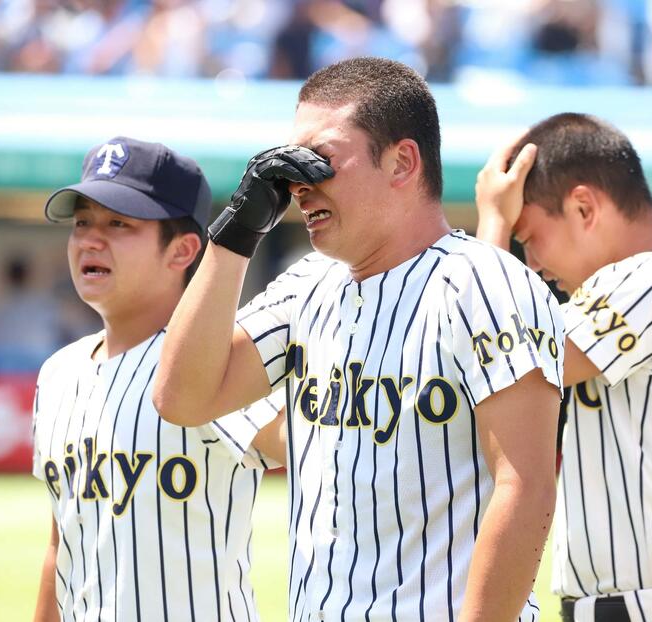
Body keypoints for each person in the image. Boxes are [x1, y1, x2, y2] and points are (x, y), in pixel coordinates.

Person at [154, 57, 565, 622]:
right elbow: (182, 397)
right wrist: (237, 232)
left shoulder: (484, 282)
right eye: (288, 164)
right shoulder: (307, 284)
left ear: (402, 162)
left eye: (318, 161)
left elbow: (527, 486)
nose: (296, 184)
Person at [475, 113, 652, 621]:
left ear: (583, 206)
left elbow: (490, 356)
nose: (531, 264)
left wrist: (494, 222)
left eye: (530, 237)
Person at [31, 136, 284, 621]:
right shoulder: (57, 373)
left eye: (118, 222)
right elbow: (61, 545)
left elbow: (324, 451)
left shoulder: (215, 365)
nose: (90, 238)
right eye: (82, 221)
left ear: (183, 250)